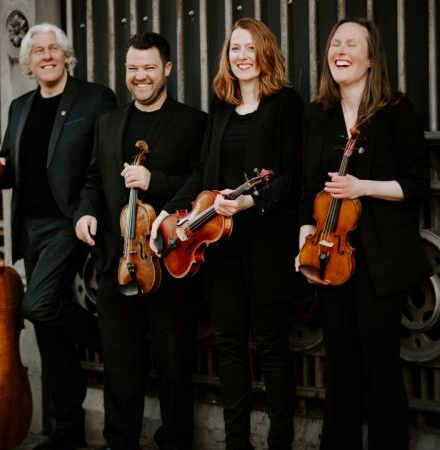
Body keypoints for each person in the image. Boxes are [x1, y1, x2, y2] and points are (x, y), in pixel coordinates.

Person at [150, 17, 303, 450]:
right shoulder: (220, 108)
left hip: (268, 245)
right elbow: (202, 172)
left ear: (265, 53)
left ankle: (280, 443)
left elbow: (292, 173)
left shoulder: (286, 104)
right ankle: (237, 443)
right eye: (235, 48)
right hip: (219, 247)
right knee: (230, 345)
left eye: (250, 48)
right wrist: (172, 212)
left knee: (271, 345)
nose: (242, 56)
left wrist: (250, 202)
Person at [0, 23, 116, 450]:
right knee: (50, 331)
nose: (48, 56)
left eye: (55, 49)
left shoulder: (95, 99)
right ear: (28, 63)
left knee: (37, 305)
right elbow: (11, 169)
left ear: (67, 56)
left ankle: (110, 338)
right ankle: (67, 430)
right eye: (39, 51)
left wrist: (90, 211)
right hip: (31, 228)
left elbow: (103, 160)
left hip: (71, 221)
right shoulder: (20, 107)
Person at [297, 18, 432, 450]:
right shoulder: (318, 114)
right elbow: (306, 188)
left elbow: (417, 184)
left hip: (381, 261)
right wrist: (305, 241)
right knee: (339, 366)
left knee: (380, 368)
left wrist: (362, 187)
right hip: (329, 258)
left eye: (351, 44)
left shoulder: (396, 111)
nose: (341, 50)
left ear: (371, 59)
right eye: (335, 43)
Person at [73, 32, 206, 450]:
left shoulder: (193, 122)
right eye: (133, 68)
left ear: (167, 69)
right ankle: (120, 442)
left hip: (169, 262)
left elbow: (202, 183)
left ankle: (175, 443)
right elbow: (94, 180)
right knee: (120, 365)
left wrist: (156, 181)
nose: (140, 76)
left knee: (173, 364)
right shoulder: (109, 123)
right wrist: (85, 211)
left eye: (149, 67)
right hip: (119, 260)